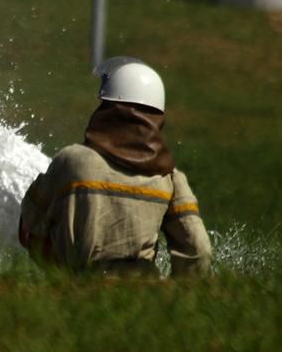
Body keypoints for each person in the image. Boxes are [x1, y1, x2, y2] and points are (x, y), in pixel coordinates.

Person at [18, 57, 213, 276]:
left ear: (109, 110)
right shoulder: (170, 178)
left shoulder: (71, 160)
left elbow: (29, 227)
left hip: (74, 291)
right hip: (143, 297)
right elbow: (198, 251)